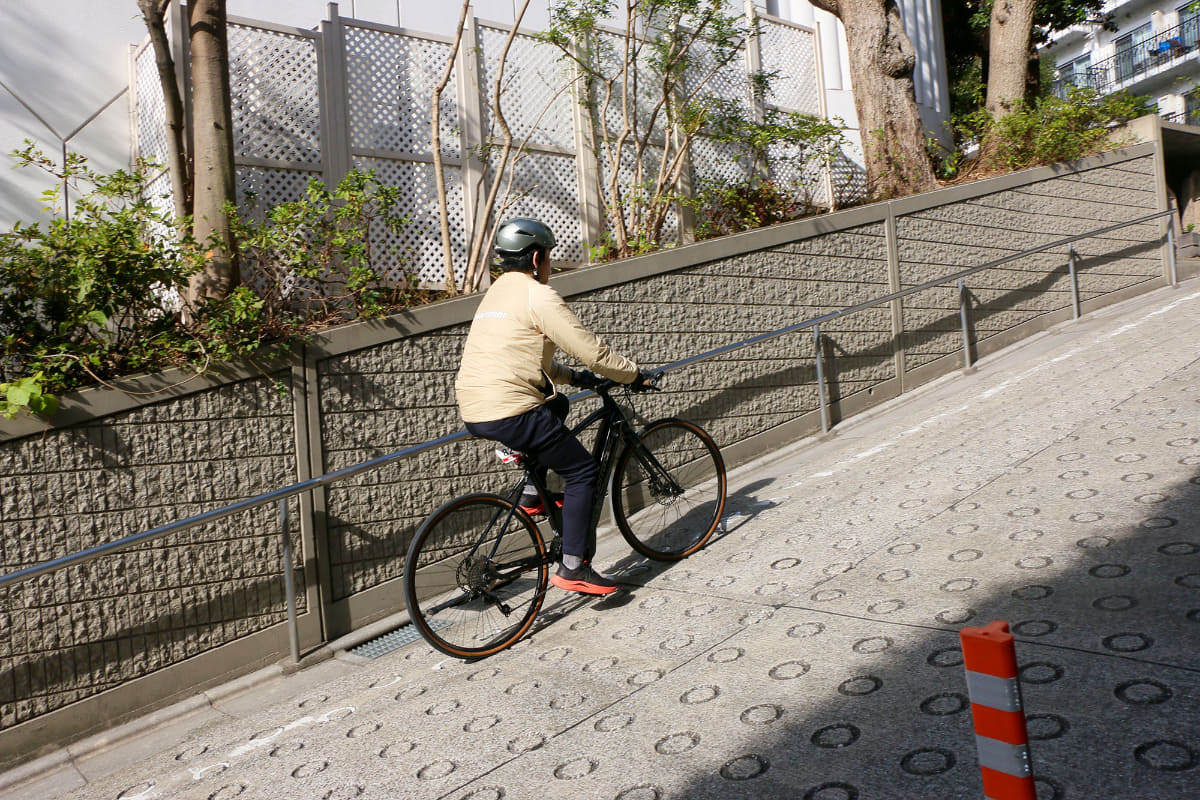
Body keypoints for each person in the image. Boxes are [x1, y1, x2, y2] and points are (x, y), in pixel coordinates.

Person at [454, 218, 649, 595]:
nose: (549, 266)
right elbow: (590, 350)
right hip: (511, 409)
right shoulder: (537, 295)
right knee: (582, 473)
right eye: (549, 258)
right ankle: (574, 567)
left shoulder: (495, 296)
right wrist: (633, 375)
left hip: (477, 409)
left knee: (556, 406)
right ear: (537, 257)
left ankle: (531, 497)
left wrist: (576, 379)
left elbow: (528, 361)